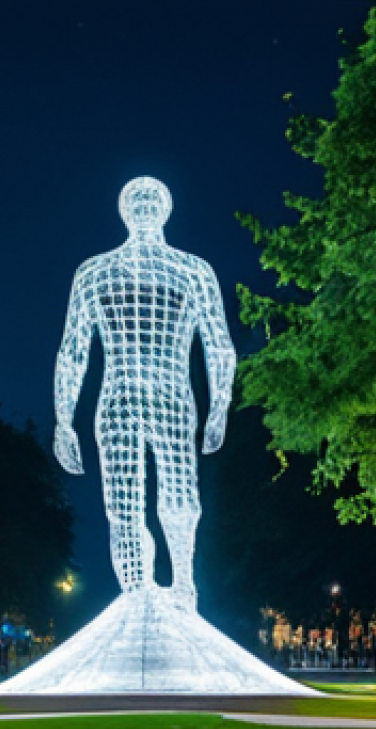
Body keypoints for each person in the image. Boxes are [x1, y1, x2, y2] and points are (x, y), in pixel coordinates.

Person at [52, 177, 236, 609]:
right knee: (123, 501)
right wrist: (64, 420)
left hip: (173, 397)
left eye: (154, 198)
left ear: (168, 208)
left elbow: (219, 345)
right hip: (117, 400)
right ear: (123, 210)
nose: (146, 205)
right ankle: (137, 592)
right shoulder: (95, 272)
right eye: (137, 198)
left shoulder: (193, 271)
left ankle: (184, 587)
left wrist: (220, 407)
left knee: (180, 496)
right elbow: (73, 351)